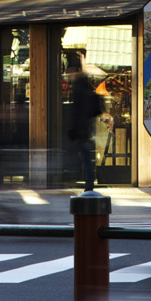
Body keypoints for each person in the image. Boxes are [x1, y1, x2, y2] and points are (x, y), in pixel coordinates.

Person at [63, 49, 104, 193]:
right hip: (85, 128)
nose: (68, 76)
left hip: (81, 129)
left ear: (75, 71)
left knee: (83, 156)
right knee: (84, 156)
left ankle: (88, 183)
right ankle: (88, 182)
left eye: (70, 72)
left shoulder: (79, 87)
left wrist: (74, 129)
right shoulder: (85, 84)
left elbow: (78, 111)